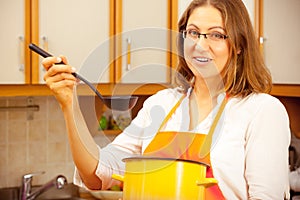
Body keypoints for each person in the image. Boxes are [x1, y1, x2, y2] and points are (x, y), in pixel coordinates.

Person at [42, 0, 291, 199]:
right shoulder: (161, 104)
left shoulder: (262, 111)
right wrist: (69, 104)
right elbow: (97, 175)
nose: (200, 45)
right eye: (193, 33)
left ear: (238, 45)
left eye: (216, 35)